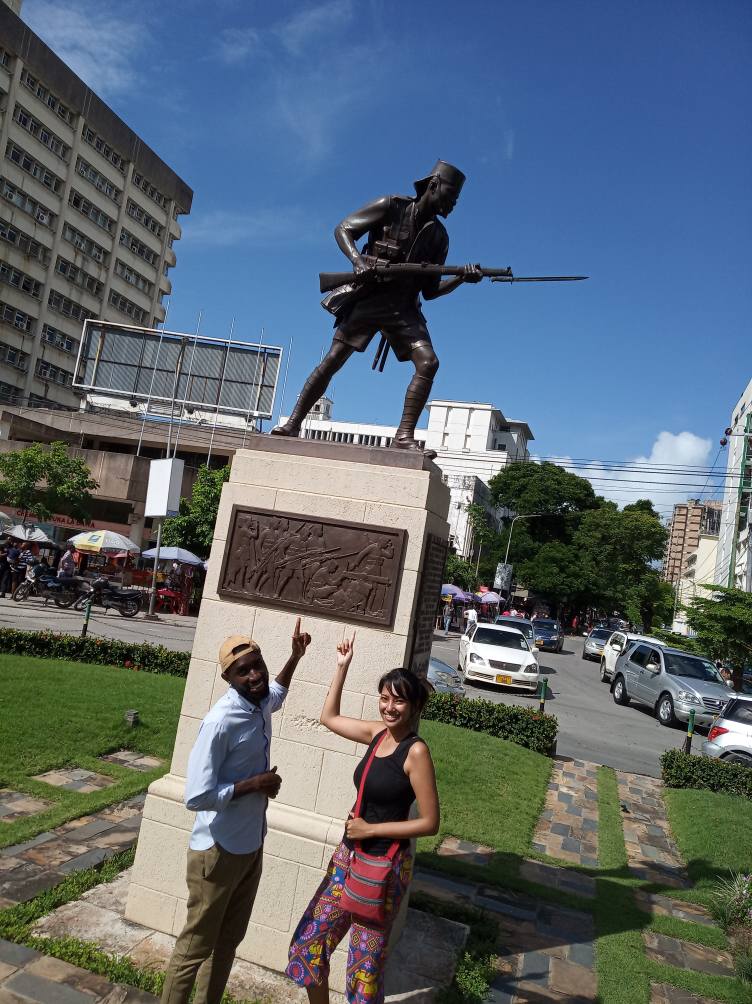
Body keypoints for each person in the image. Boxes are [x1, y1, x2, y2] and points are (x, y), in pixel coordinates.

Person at [272, 161, 482, 452]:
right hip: (371, 297)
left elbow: (431, 292)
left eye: (456, 201)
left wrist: (460, 279)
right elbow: (343, 228)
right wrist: (357, 261)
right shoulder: (391, 206)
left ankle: (404, 436)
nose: (452, 205)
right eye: (450, 196)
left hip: (405, 308)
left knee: (429, 362)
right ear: (433, 186)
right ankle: (293, 423)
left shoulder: (439, 237)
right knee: (334, 359)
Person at [160, 618, 312, 1004]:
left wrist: (294, 657)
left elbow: (276, 692)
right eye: (244, 671)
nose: (255, 675)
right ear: (228, 677)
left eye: (257, 664)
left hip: (250, 846)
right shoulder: (219, 721)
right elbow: (196, 796)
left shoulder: (258, 703)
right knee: (195, 947)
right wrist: (254, 785)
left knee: (228, 943)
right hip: (218, 851)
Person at [286, 636, 439, 1004]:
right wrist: (342, 667)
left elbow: (430, 822)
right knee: (307, 946)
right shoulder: (377, 733)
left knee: (363, 973)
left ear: (414, 705)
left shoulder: (415, 751)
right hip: (349, 860)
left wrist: (371, 829)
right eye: (384, 698)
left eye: (398, 700)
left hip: (383, 868)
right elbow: (329, 718)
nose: (389, 707)